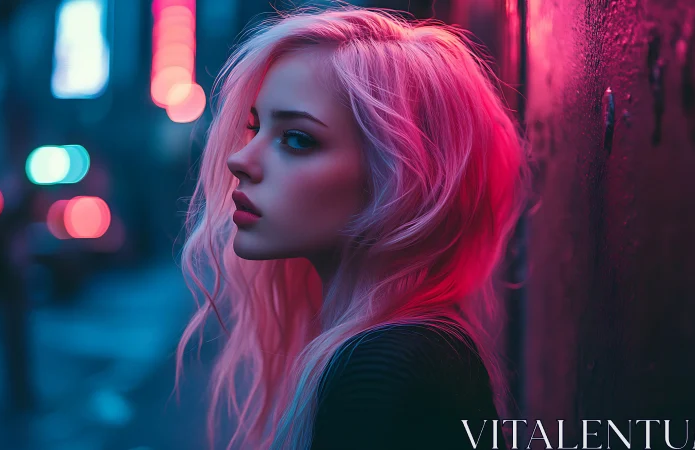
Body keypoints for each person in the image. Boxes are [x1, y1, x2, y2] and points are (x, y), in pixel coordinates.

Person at [175, 4, 531, 449]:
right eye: (255, 127)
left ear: (398, 177)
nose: (240, 160)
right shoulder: (408, 350)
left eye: (297, 138)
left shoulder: (382, 373)